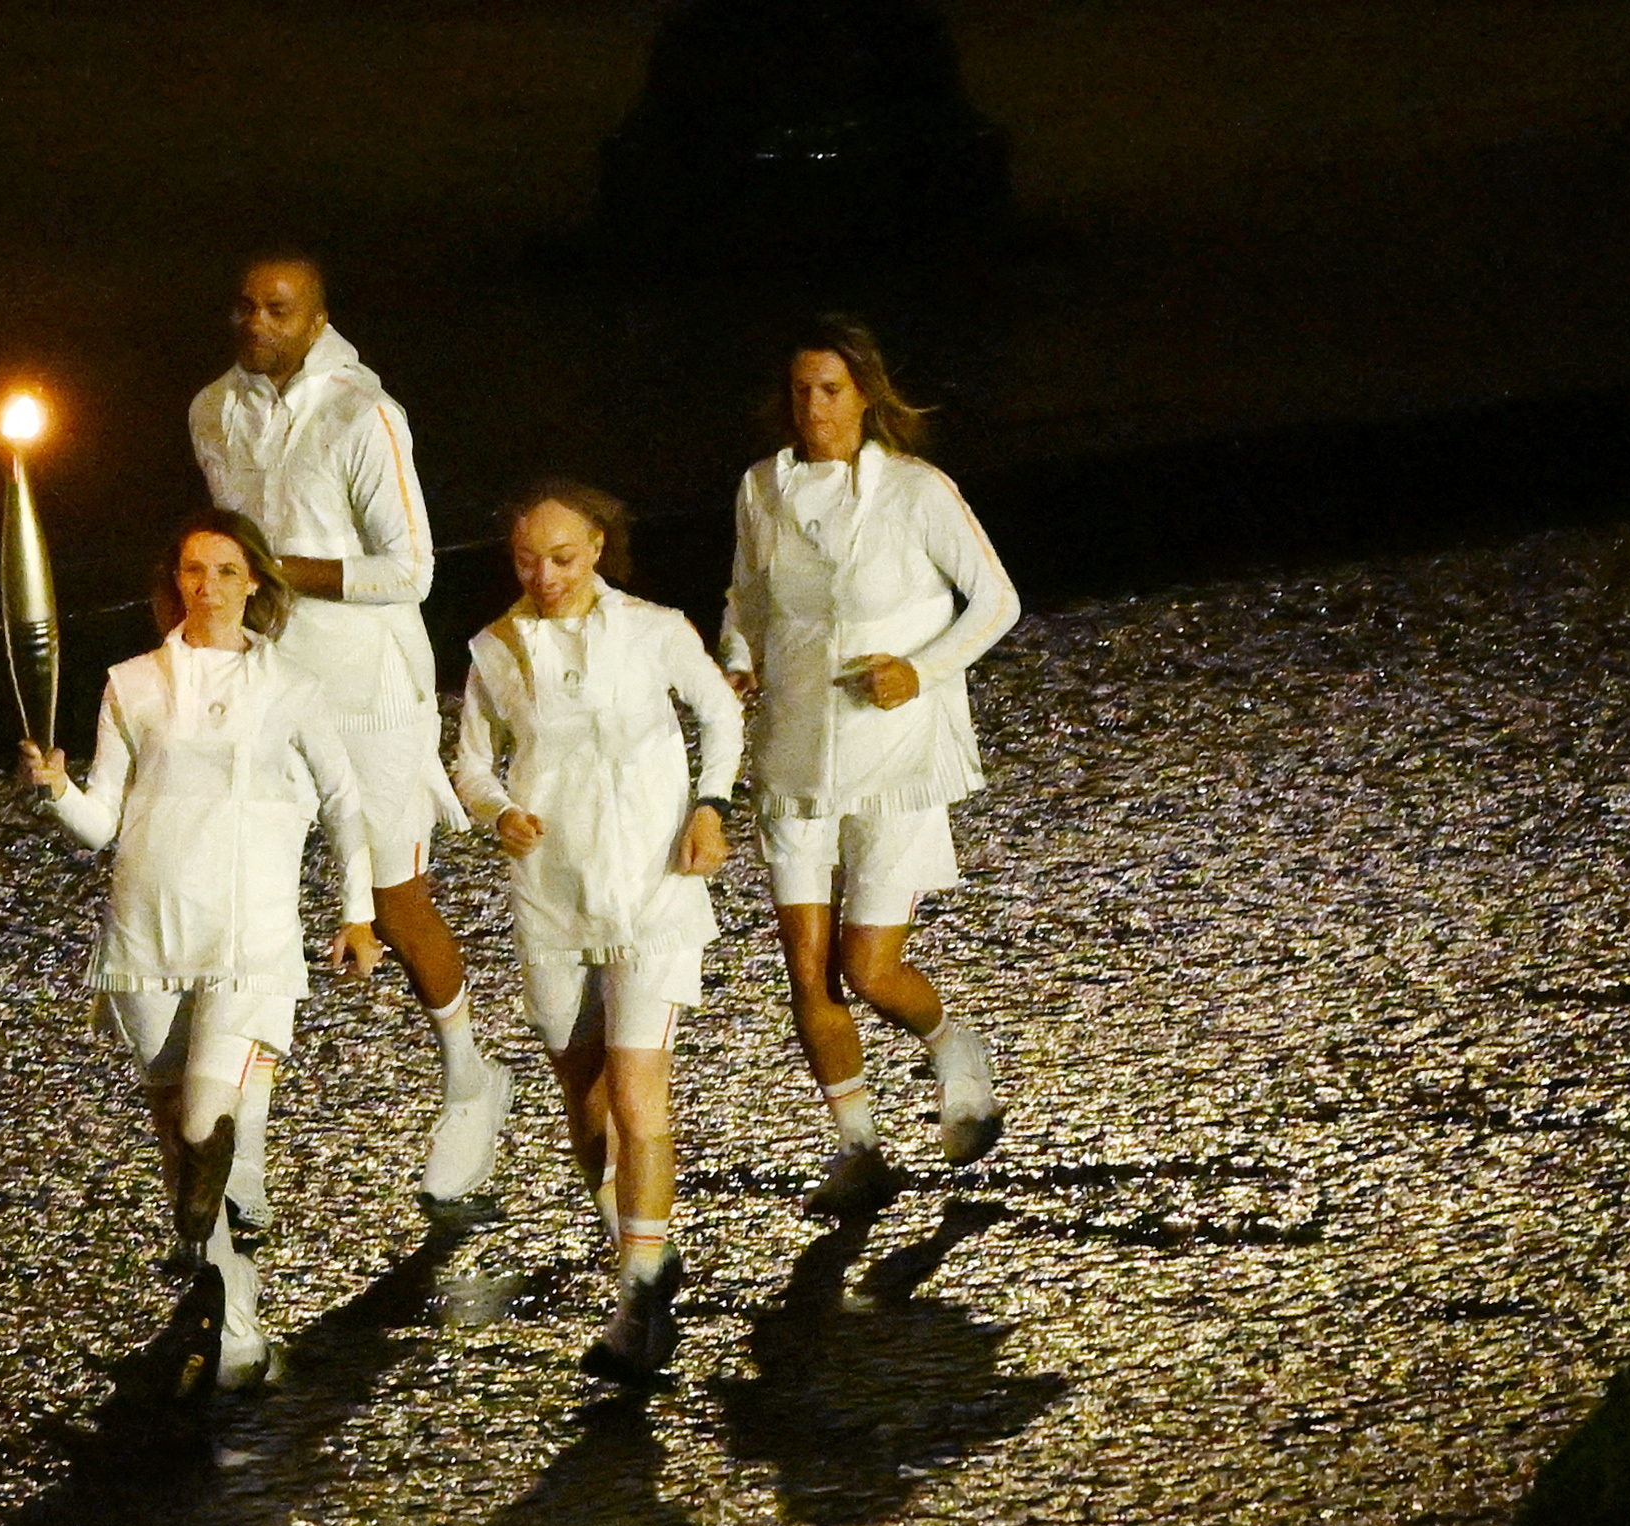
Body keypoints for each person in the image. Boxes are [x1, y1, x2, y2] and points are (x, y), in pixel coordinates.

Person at [189, 249, 511, 1219]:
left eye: (277, 309)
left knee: (397, 905)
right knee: (254, 911)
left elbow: (410, 570)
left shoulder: (365, 415)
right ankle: (245, 1151)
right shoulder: (212, 410)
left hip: (371, 696)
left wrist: (279, 570)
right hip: (268, 690)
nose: (255, 322)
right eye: (244, 306)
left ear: (318, 318)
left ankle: (469, 1077)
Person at [20, 511, 369, 1392]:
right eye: (191, 570)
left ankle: (226, 1274)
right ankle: (229, 1299)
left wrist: (357, 913)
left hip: (250, 938)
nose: (205, 587)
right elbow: (100, 824)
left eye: (224, 570)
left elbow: (343, 801)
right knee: (181, 1142)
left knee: (205, 1120)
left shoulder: (292, 687)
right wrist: (56, 790)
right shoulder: (131, 683)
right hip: (147, 936)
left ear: (254, 582)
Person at [719, 316, 1021, 1213]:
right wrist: (737, 660)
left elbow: (995, 600)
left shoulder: (917, 491)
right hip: (794, 754)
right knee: (805, 969)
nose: (813, 408)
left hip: (895, 757)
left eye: (831, 390)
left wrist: (919, 670)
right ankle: (857, 1146)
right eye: (800, 391)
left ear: (864, 396)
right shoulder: (760, 488)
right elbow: (746, 598)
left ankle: (954, 1048)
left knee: (867, 967)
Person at [452, 481, 742, 1375]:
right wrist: (498, 811)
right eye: (527, 559)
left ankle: (639, 1293)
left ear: (597, 550)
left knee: (636, 1093)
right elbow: (469, 764)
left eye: (562, 557)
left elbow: (721, 712)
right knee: (582, 1095)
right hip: (553, 897)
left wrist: (711, 805)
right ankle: (639, 1244)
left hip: (653, 890)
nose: (544, 576)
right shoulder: (495, 649)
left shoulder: (654, 629)